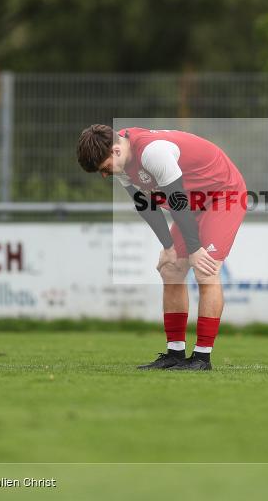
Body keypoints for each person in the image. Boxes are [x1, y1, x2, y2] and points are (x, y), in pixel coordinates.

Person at [77, 125, 248, 371]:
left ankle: (202, 358)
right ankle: (175, 354)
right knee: (171, 269)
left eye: (104, 169)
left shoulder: (152, 153)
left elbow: (176, 200)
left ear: (115, 151)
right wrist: (167, 247)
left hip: (223, 195)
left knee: (206, 271)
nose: (105, 176)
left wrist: (195, 249)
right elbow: (144, 204)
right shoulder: (123, 156)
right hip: (193, 201)